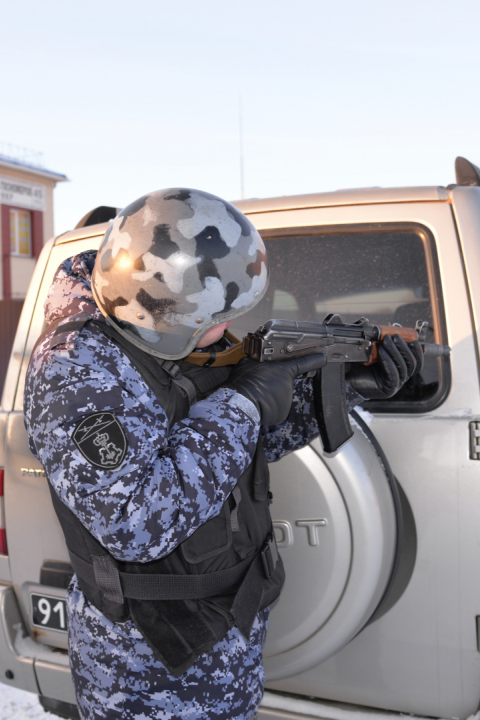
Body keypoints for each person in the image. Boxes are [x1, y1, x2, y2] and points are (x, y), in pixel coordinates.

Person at [23, 188, 422, 720]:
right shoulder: (77, 372)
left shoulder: (158, 327)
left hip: (219, 627)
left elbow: (235, 445)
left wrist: (347, 387)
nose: (224, 329)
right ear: (165, 307)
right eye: (214, 317)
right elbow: (135, 520)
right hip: (146, 665)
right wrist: (245, 400)